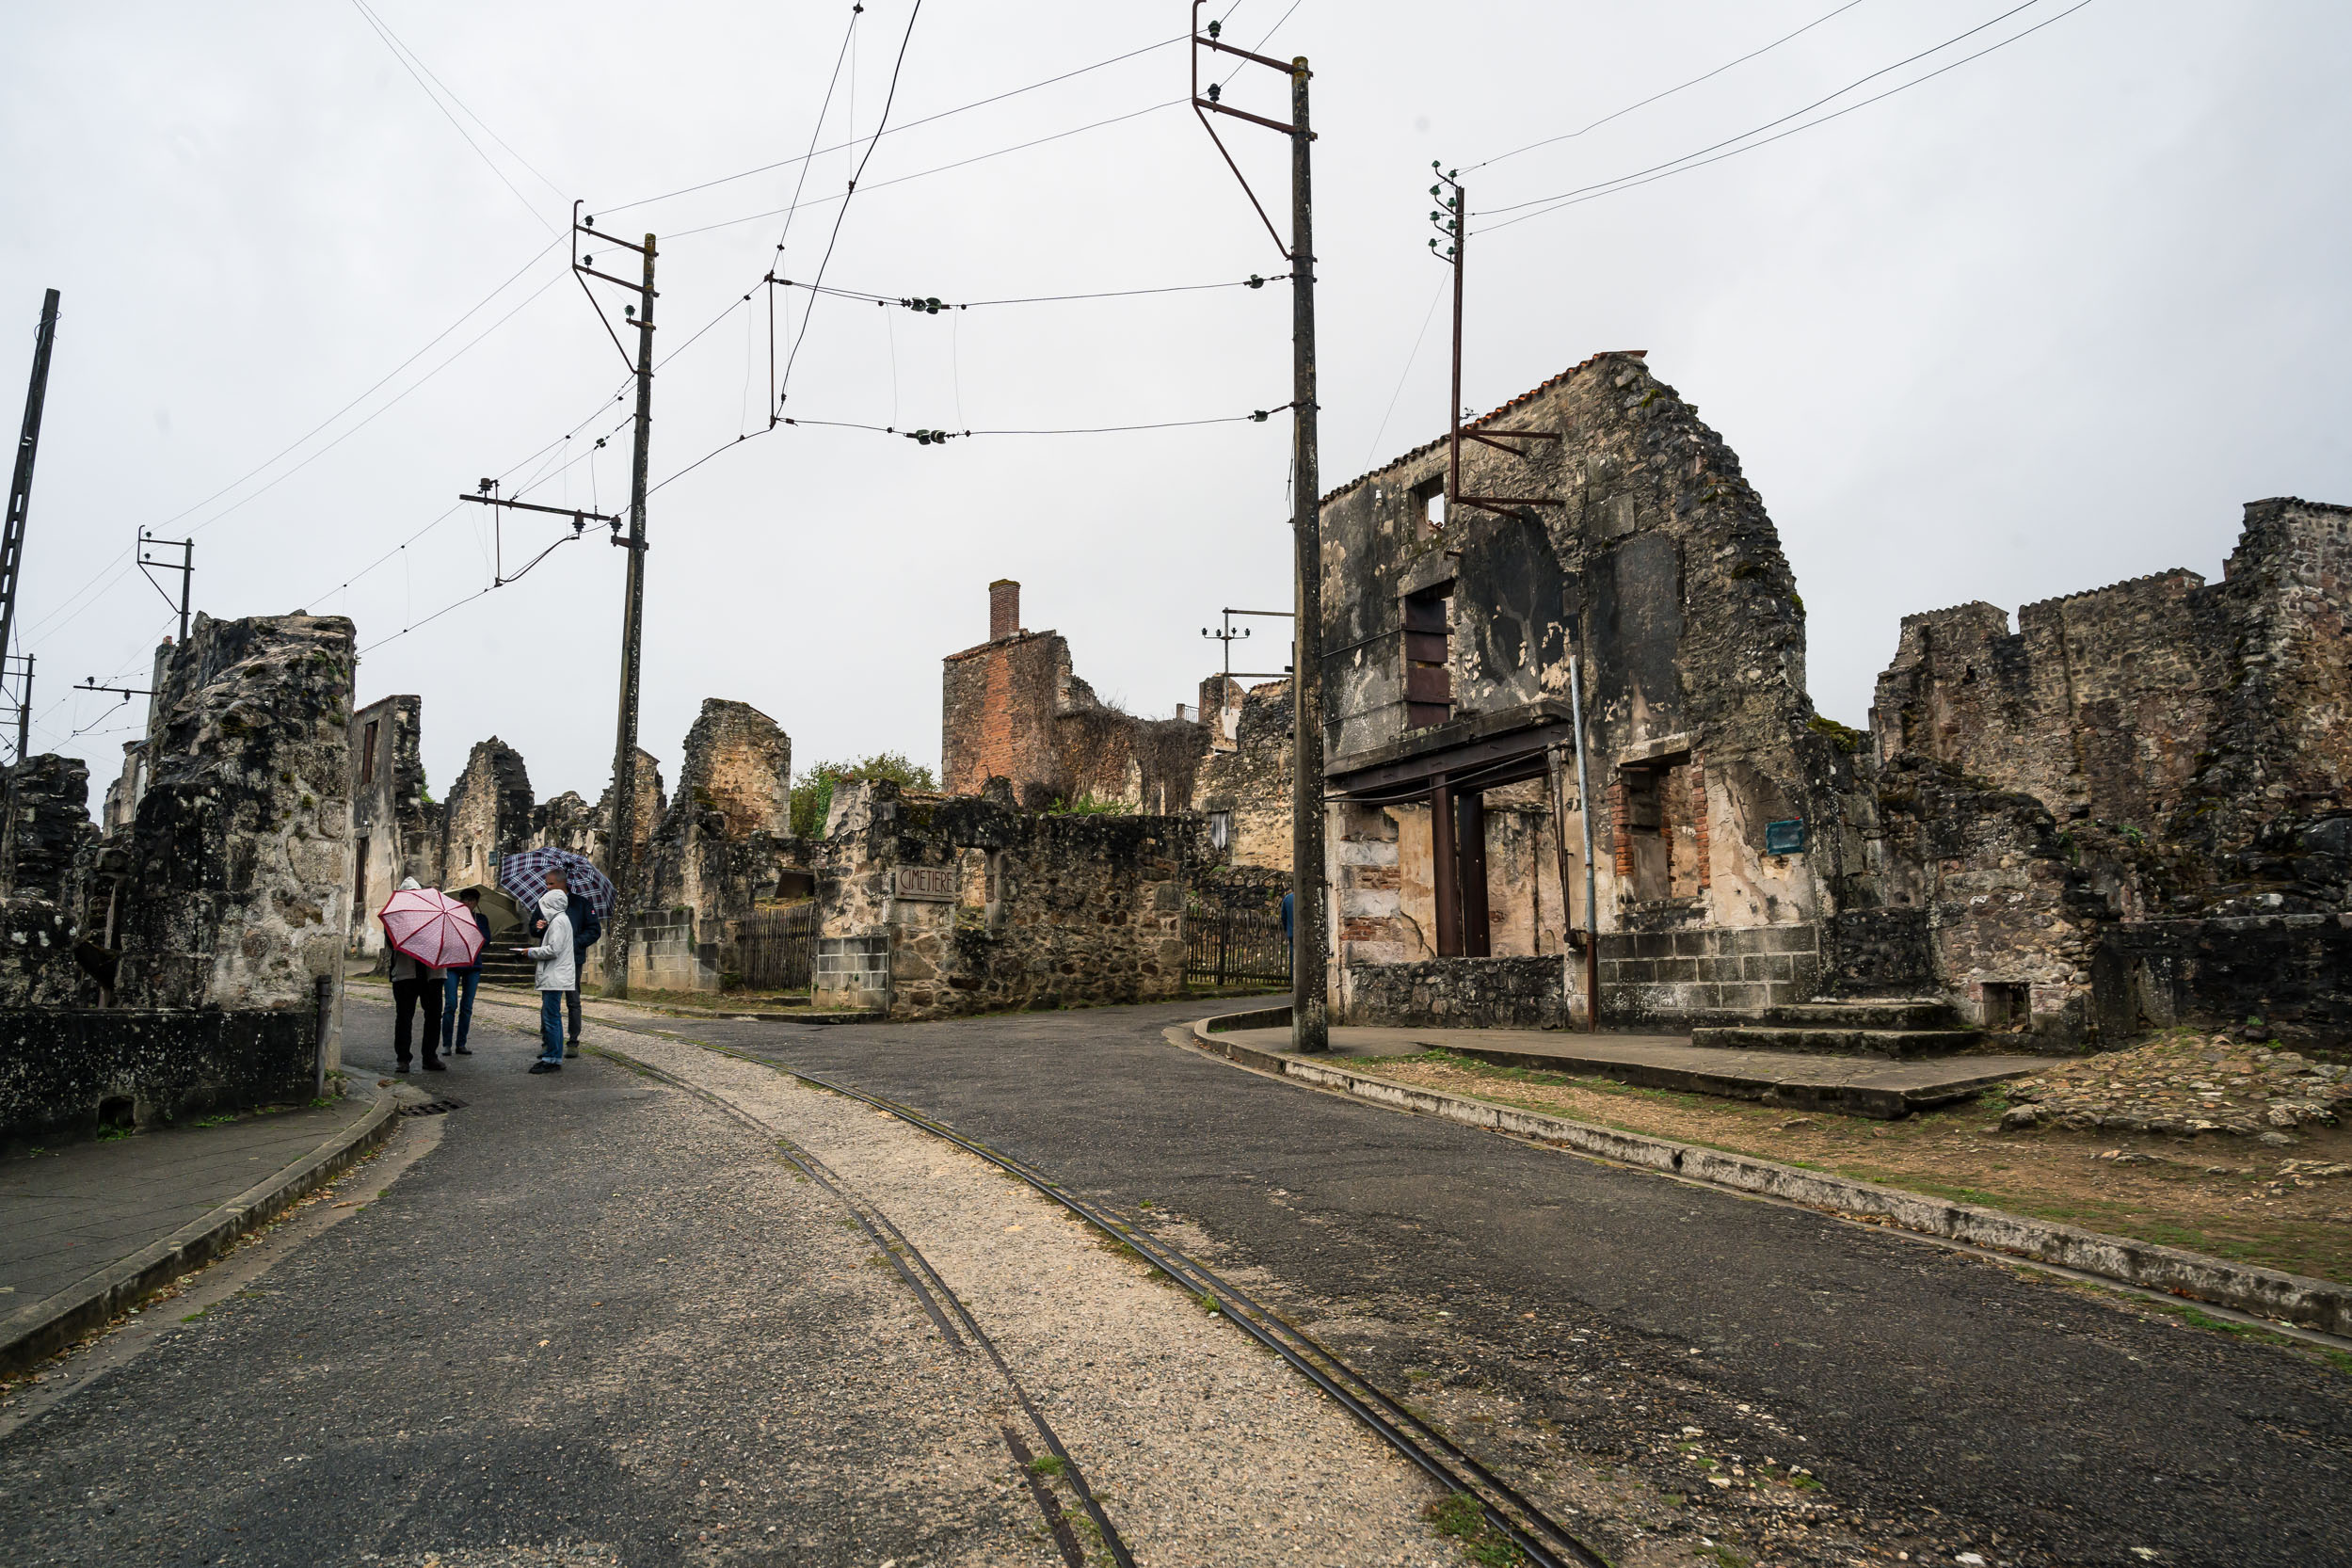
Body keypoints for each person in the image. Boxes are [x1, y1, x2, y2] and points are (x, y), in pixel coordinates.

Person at [387, 876, 445, 1073]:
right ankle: (403, 1058)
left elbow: (444, 940)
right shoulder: (394, 917)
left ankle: (430, 1056)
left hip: (433, 974)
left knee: (434, 1016)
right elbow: (391, 943)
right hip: (406, 974)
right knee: (404, 1017)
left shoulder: (436, 914)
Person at [522, 887, 573, 1074]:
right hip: (555, 975)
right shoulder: (559, 921)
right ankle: (553, 1056)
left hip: (555, 975)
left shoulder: (559, 922)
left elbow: (553, 950)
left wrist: (530, 952)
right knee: (552, 1017)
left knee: (551, 1018)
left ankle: (552, 1058)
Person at [441, 888, 490, 1058]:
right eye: (464, 900)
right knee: (450, 1004)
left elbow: (486, 940)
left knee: (467, 1006)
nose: (467, 903)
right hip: (453, 964)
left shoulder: (481, 919)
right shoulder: (451, 917)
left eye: (471, 900)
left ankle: (461, 1043)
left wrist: (473, 930)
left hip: (473, 966)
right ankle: (446, 1043)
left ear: (476, 903)